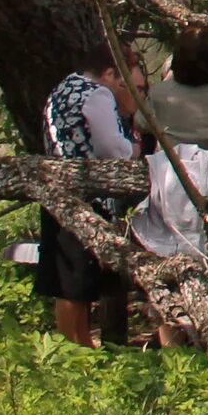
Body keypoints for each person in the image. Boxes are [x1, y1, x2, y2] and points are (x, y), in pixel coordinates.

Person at [35, 45, 138, 346]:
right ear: (108, 72)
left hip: (56, 193)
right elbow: (110, 148)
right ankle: (73, 349)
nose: (121, 89)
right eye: (121, 81)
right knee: (76, 281)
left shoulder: (63, 89)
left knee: (70, 281)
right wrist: (132, 150)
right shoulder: (97, 94)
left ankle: (80, 344)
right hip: (87, 197)